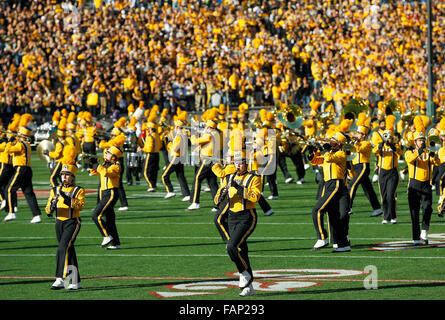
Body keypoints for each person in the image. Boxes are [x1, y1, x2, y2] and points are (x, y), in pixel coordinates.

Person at [214, 150, 261, 297]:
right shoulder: (230, 177)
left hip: (247, 217)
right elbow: (216, 199)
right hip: (232, 217)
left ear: (246, 164)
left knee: (231, 246)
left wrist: (239, 188)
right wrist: (220, 197)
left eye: (241, 163)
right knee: (241, 251)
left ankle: (244, 274)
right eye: (236, 162)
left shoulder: (254, 178)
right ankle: (249, 287)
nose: (238, 165)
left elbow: (255, 197)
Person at [45, 164, 85, 290]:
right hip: (59, 222)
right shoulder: (54, 190)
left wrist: (67, 199)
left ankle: (60, 278)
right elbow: (47, 209)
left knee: (62, 248)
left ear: (72, 177)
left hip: (72, 222)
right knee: (69, 250)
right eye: (62, 175)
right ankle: (74, 282)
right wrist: (51, 207)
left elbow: (80, 206)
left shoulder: (78, 190)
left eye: (67, 175)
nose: (64, 177)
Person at [310, 132, 351, 252]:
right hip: (328, 184)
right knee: (334, 217)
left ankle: (322, 238)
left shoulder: (341, 153)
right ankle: (343, 244)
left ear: (339, 143)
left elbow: (328, 158)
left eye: (333, 140)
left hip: (335, 184)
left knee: (317, 210)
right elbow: (316, 161)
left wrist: (325, 150)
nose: (329, 141)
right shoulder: (330, 152)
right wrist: (313, 151)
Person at [405, 121, 440, 245]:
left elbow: (437, 163)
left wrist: (433, 154)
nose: (422, 142)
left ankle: (424, 231)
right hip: (414, 185)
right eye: (419, 140)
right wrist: (419, 152)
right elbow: (409, 159)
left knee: (427, 208)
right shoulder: (409, 151)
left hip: (426, 184)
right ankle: (415, 237)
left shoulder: (428, 152)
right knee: (414, 213)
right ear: (415, 142)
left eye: (423, 140)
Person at [3, 124, 42, 223]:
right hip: (26, 169)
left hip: (21, 168)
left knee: (9, 188)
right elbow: (12, 153)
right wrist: (12, 141)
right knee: (28, 193)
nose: (17, 136)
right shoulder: (25, 144)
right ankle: (36, 215)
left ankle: (11, 212)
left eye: (19, 134)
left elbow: (7, 150)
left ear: (23, 136)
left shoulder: (21, 144)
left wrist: (9, 142)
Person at [89, 146, 122, 250]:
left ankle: (106, 236)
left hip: (110, 193)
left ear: (113, 157)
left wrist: (96, 165)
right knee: (110, 220)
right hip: (104, 193)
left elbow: (106, 173)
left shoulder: (116, 166)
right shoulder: (106, 164)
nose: (105, 154)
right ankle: (116, 243)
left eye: (108, 153)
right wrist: (91, 164)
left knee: (96, 215)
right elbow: (97, 172)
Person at [347, 123, 383, 217]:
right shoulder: (355, 143)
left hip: (363, 167)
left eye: (358, 133)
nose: (356, 135)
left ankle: (348, 207)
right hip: (356, 167)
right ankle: (377, 208)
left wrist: (354, 143)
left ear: (363, 135)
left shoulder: (366, 143)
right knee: (368, 189)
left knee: (352, 185)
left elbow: (359, 149)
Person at [372, 127, 403, 224]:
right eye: (386, 137)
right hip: (382, 173)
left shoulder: (395, 145)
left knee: (390, 195)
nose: (388, 139)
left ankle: (393, 216)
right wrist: (380, 146)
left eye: (390, 137)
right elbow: (374, 151)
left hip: (393, 173)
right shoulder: (381, 146)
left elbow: (399, 152)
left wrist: (392, 145)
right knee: (384, 196)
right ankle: (386, 217)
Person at [161, 118, 191, 201]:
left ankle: (170, 191)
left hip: (176, 157)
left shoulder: (180, 136)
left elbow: (175, 148)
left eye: (176, 127)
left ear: (178, 127)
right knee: (181, 176)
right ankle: (187, 194)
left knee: (164, 175)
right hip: (180, 158)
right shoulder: (181, 135)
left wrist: (169, 144)